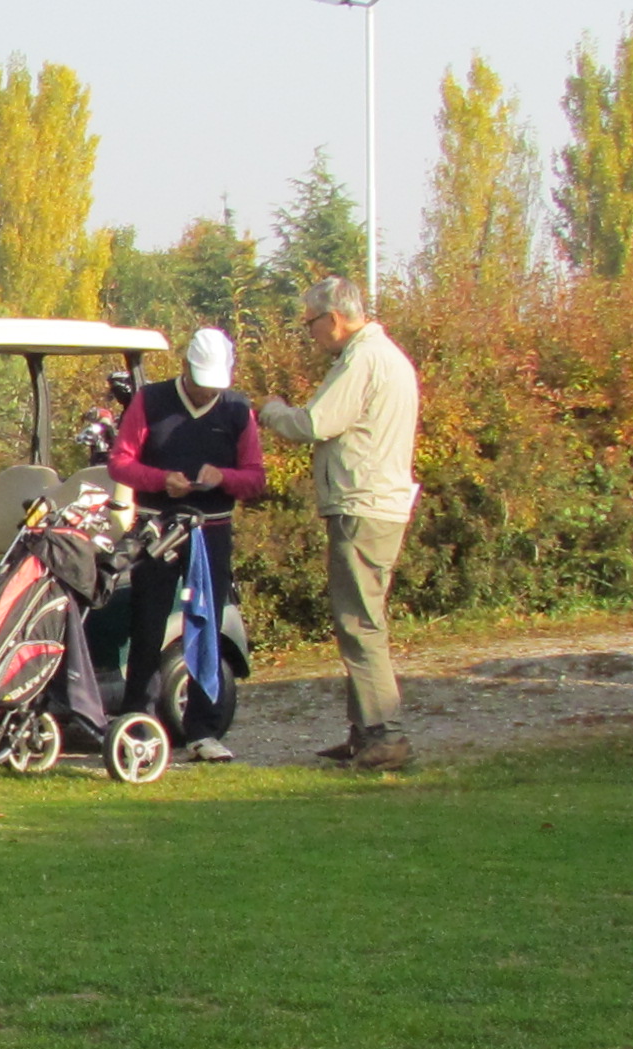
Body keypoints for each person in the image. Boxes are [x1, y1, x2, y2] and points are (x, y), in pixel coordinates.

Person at [255, 273, 421, 770]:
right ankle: (364, 732)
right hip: (379, 503)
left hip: (362, 505)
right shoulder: (388, 357)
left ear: (333, 319)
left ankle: (385, 735)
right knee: (362, 619)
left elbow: (314, 423)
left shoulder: (363, 359)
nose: (309, 334)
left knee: (359, 624)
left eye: (310, 323)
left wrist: (270, 411)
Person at [101, 325, 264, 759]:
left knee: (207, 625)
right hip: (158, 527)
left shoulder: (237, 410)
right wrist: (160, 480)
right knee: (147, 624)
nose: (206, 391)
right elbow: (121, 462)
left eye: (214, 385)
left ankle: (203, 730)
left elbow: (255, 478)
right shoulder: (150, 400)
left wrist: (223, 477)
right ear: (186, 368)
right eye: (200, 382)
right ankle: (138, 722)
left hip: (211, 530)